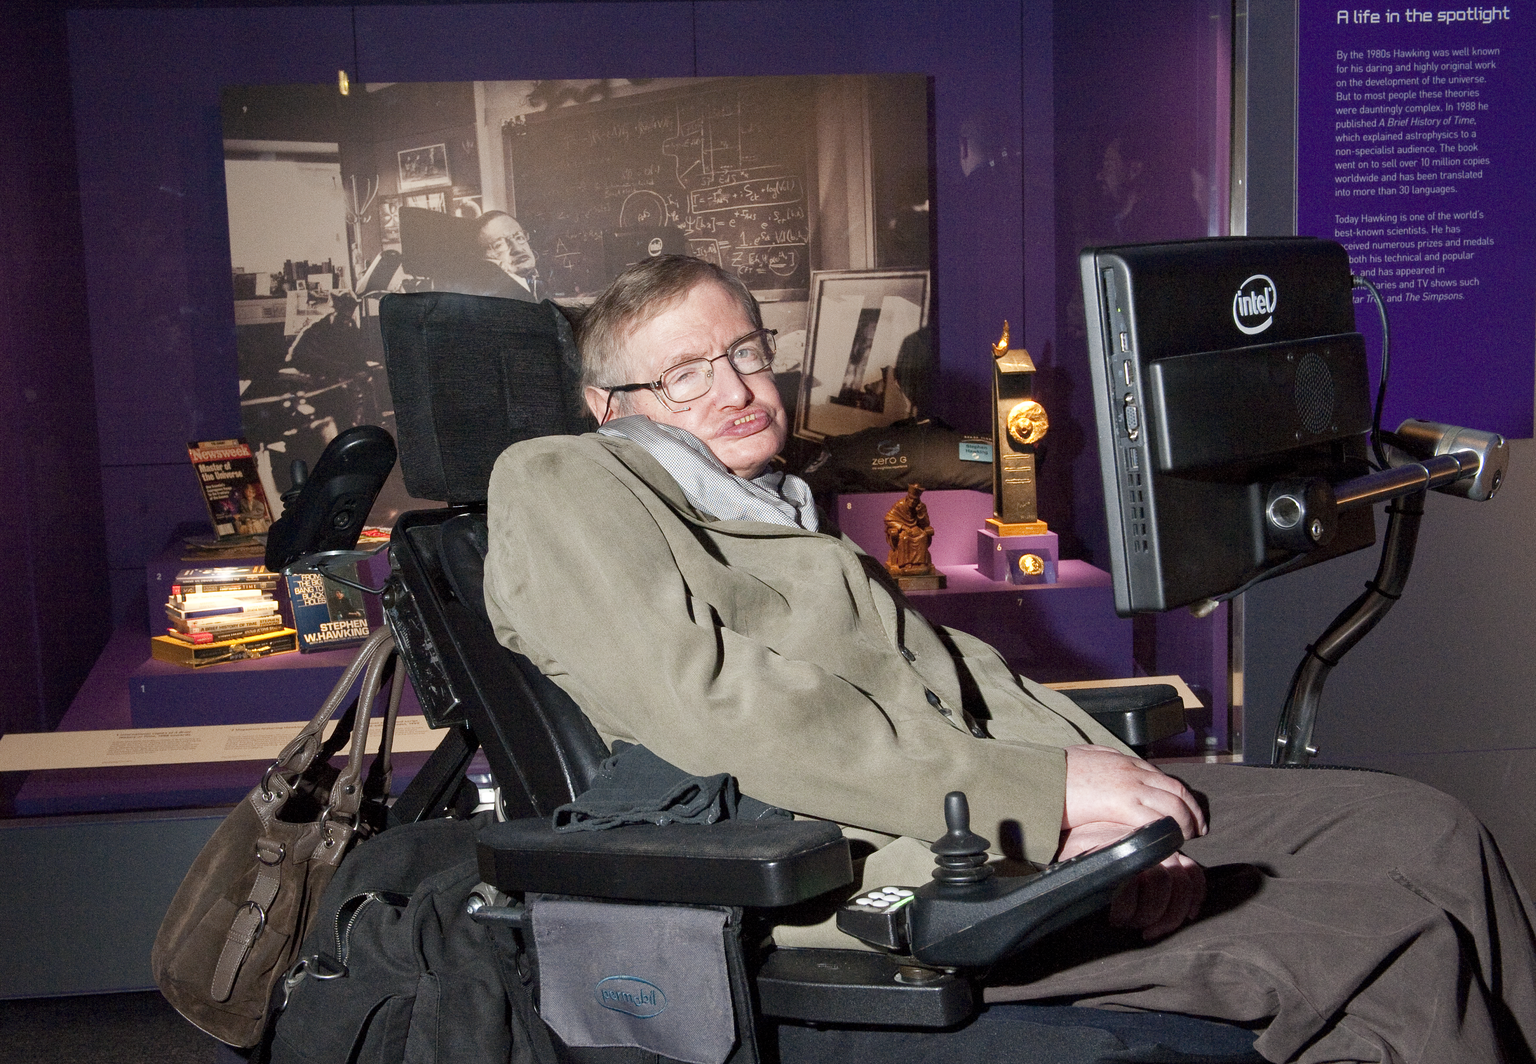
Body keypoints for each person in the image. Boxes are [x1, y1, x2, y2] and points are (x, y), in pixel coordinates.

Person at [483, 255, 1536, 1064]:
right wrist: (1040, 795)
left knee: (1427, 829)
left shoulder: (770, 505)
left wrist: (1116, 785)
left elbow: (960, 672)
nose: (735, 386)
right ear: (608, 405)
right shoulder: (565, 477)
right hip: (866, 862)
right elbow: (712, 710)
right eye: (684, 373)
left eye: (746, 352)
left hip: (980, 802)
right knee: (1391, 936)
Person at [473, 211, 543, 301]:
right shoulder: (493, 297)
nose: (517, 249)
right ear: (484, 258)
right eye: (499, 244)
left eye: (519, 237)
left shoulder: (537, 284)